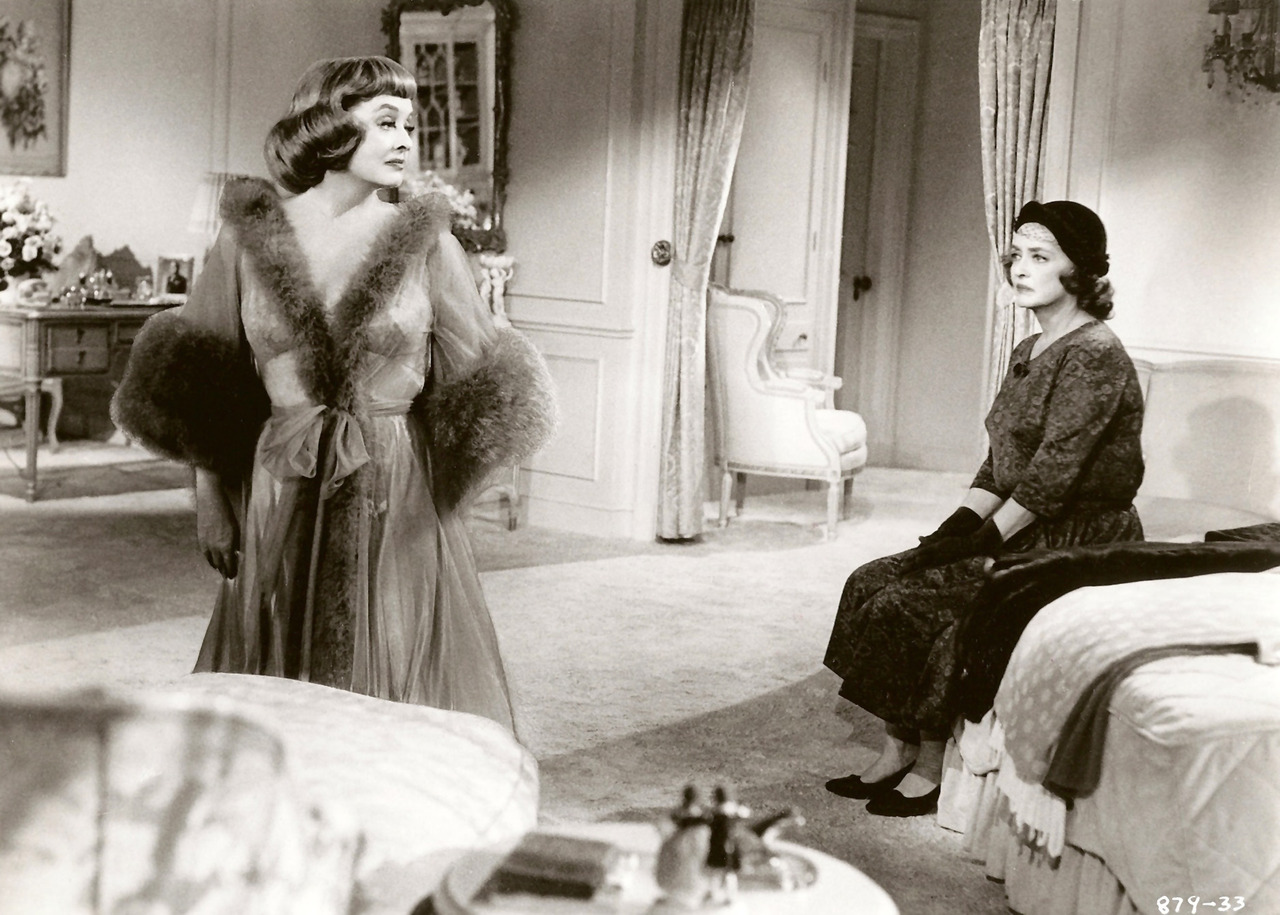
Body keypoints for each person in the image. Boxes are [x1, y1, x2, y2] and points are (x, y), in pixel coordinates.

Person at [112, 56, 556, 734]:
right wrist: (211, 499)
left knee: (392, 659)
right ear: (327, 126)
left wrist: (443, 495)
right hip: (280, 476)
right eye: (386, 122)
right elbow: (203, 380)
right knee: (274, 657)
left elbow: (481, 382)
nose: (405, 140)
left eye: (410, 125)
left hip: (393, 478)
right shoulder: (248, 238)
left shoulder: (428, 243)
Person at [822, 200, 1145, 816]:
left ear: (1079, 271)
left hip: (1074, 538)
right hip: (1017, 520)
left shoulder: (1095, 354)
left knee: (919, 603)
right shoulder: (1030, 345)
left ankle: (930, 763)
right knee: (872, 581)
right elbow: (1001, 461)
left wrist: (980, 543)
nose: (1020, 268)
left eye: (1039, 257)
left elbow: (1050, 479)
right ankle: (897, 744)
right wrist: (955, 528)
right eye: (1017, 255)